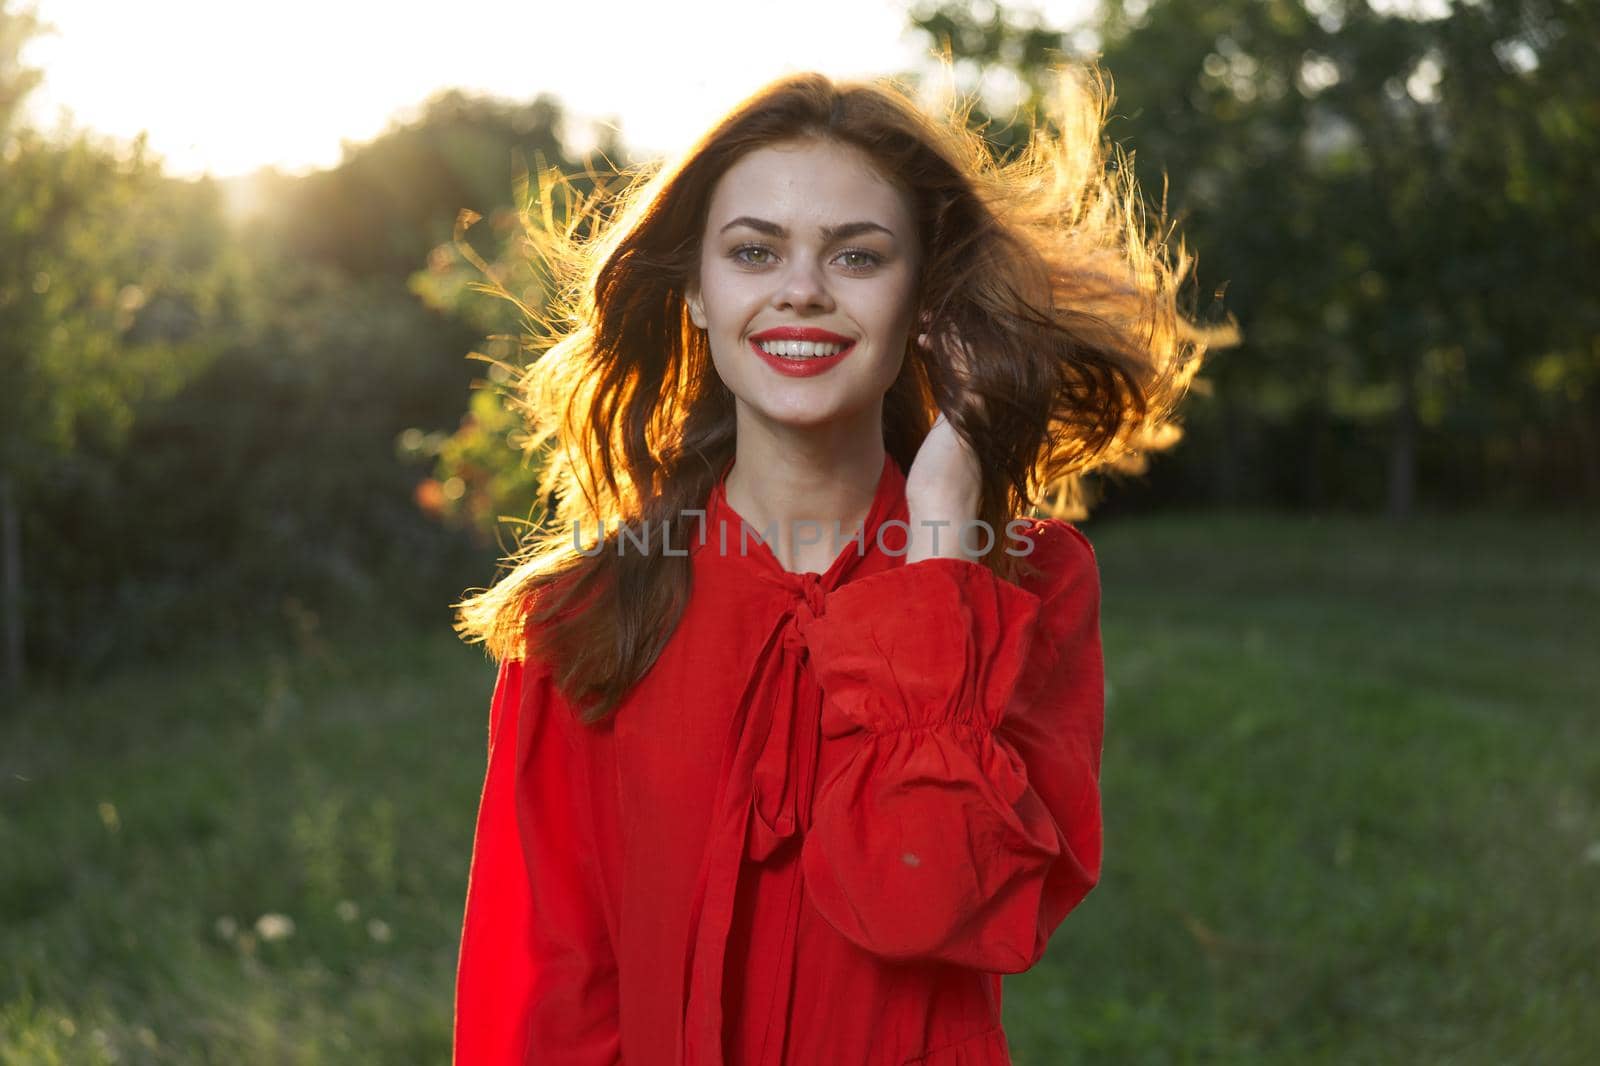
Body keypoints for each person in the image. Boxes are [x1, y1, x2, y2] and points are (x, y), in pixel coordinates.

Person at [449, 62, 1230, 1066]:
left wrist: (939, 542)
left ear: (923, 299)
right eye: (753, 251)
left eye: (857, 257)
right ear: (695, 290)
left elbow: (932, 903)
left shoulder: (1026, 585)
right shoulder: (585, 611)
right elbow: (544, 1000)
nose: (802, 292)